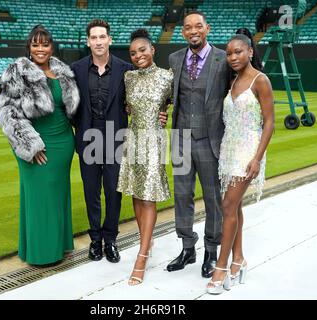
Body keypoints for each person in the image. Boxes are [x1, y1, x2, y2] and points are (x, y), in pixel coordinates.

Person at [0, 25, 80, 266]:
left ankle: (59, 245)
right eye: (35, 44)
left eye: (45, 44)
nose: (40, 49)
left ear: (52, 46)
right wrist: (29, 145)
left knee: (57, 196)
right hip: (36, 144)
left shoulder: (63, 72)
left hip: (63, 142)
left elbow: (71, 110)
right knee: (39, 198)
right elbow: (8, 112)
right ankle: (42, 253)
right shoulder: (16, 71)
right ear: (29, 48)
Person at [206, 33, 274, 294]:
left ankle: (221, 267)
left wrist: (257, 158)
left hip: (248, 153)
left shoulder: (261, 81)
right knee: (235, 207)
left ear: (250, 52)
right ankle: (239, 260)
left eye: (238, 52)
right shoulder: (232, 81)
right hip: (228, 152)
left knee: (227, 206)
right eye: (229, 53)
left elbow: (269, 123)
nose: (232, 57)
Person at [166, 11, 231, 278]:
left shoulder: (223, 59)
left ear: (207, 28)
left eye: (198, 26)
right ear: (183, 32)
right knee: (182, 197)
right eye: (188, 27)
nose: (193, 31)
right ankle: (187, 248)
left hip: (210, 139)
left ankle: (211, 252)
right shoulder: (174, 58)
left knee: (213, 199)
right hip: (181, 139)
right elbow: (171, 95)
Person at [70, 19, 132, 263]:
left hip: (116, 140)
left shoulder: (126, 69)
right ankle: (95, 240)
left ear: (110, 39)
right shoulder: (75, 69)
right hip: (88, 140)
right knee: (91, 192)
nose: (98, 41)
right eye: (93, 38)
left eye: (102, 37)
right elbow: (68, 105)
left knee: (114, 193)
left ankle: (111, 240)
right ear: (88, 42)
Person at [116, 29, 173, 285]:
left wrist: (167, 113)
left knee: (148, 197)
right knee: (137, 195)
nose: (138, 55)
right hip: (133, 141)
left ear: (153, 50)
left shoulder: (167, 77)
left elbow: (176, 103)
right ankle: (146, 244)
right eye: (133, 52)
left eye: (142, 50)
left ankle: (141, 256)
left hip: (153, 142)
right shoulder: (128, 77)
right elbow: (126, 107)